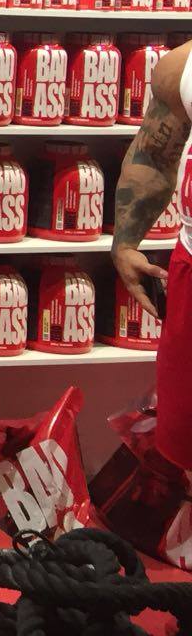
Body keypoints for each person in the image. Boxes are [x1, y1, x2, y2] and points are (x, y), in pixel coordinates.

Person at [111, 41, 192, 469]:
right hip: (190, 268)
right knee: (186, 445)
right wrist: (125, 242)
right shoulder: (183, 68)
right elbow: (154, 157)